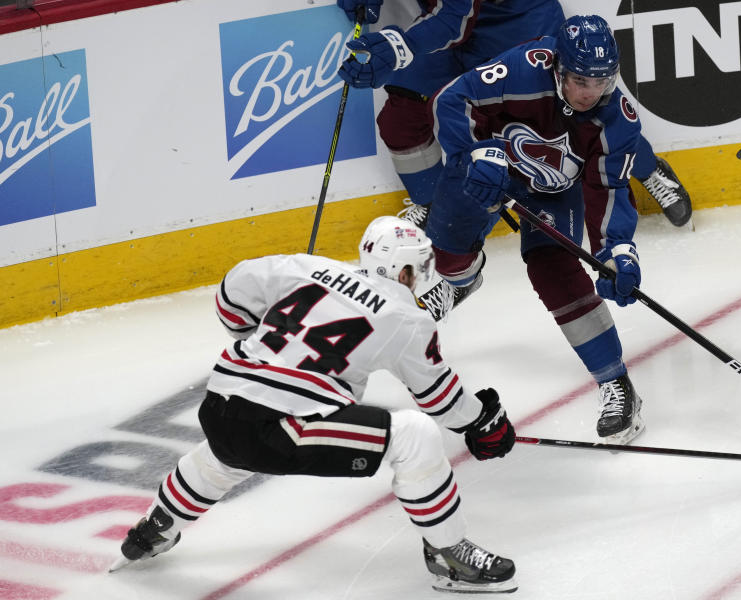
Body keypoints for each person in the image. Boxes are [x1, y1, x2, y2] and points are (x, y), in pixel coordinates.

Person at [109, 216, 519, 594]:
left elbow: (231, 292)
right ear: (406, 271)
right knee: (415, 435)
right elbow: (440, 399)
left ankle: (156, 527)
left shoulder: (303, 267)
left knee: (228, 452)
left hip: (218, 403)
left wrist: (260, 334)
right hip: (282, 427)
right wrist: (483, 421)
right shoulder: (407, 318)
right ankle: (449, 555)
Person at [420, 14, 692, 445]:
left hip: (554, 190)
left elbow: (607, 188)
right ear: (558, 69)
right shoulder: (522, 68)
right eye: (581, 81)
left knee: (554, 271)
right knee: (449, 250)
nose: (591, 93)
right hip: (492, 168)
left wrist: (616, 250)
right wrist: (472, 153)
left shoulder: (616, 118)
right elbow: (452, 100)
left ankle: (616, 383)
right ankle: (461, 282)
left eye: (602, 82)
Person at [335, 0, 565, 228]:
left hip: (516, 22)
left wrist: (400, 47)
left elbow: (454, 20)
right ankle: (434, 208)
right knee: (401, 120)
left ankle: (491, 212)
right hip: (446, 25)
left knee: (504, 126)